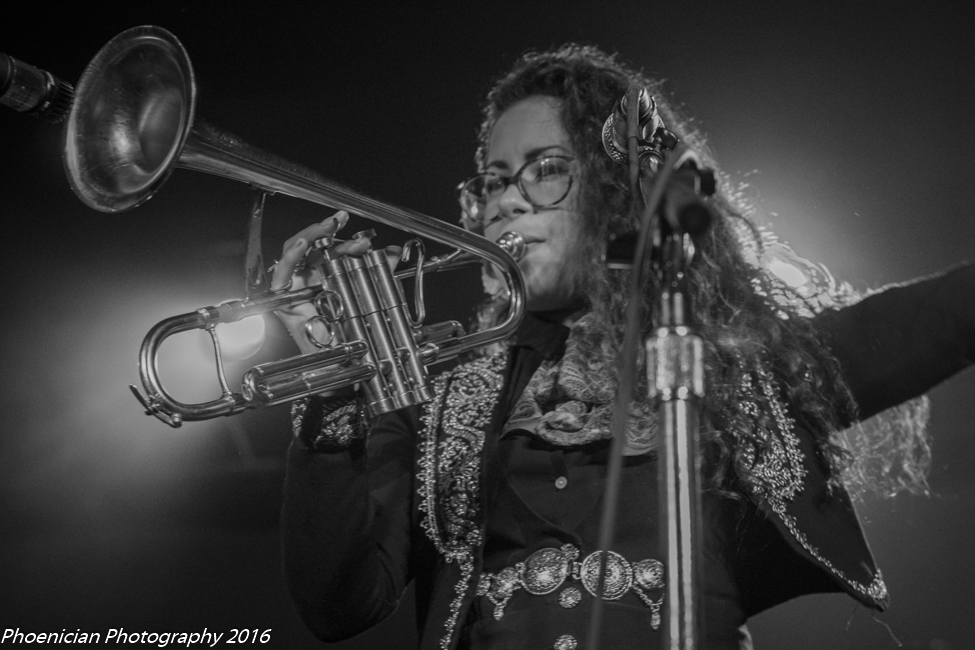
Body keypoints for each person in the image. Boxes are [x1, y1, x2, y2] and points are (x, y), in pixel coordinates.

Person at [270, 45, 975, 650]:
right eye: (490, 180)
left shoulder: (736, 367)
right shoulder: (435, 396)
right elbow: (340, 606)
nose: (505, 202)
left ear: (614, 187)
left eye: (543, 168)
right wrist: (330, 399)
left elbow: (942, 316)